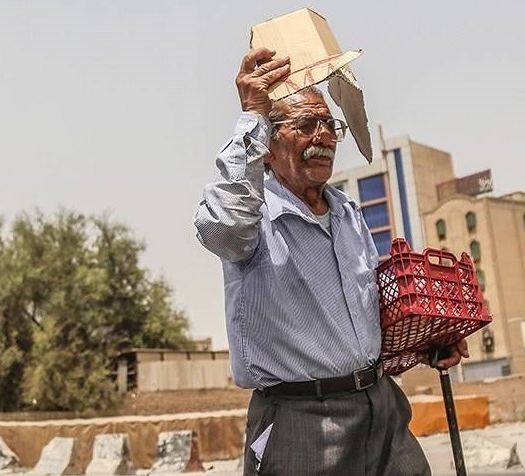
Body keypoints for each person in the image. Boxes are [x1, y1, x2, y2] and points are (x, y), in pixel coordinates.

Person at [194, 47, 469, 475]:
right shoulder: (253, 218)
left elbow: (363, 318)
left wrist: (429, 341)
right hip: (301, 420)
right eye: (305, 125)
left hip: (381, 407)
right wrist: (252, 116)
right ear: (267, 146)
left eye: (329, 125)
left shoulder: (348, 215)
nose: (323, 136)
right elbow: (220, 229)